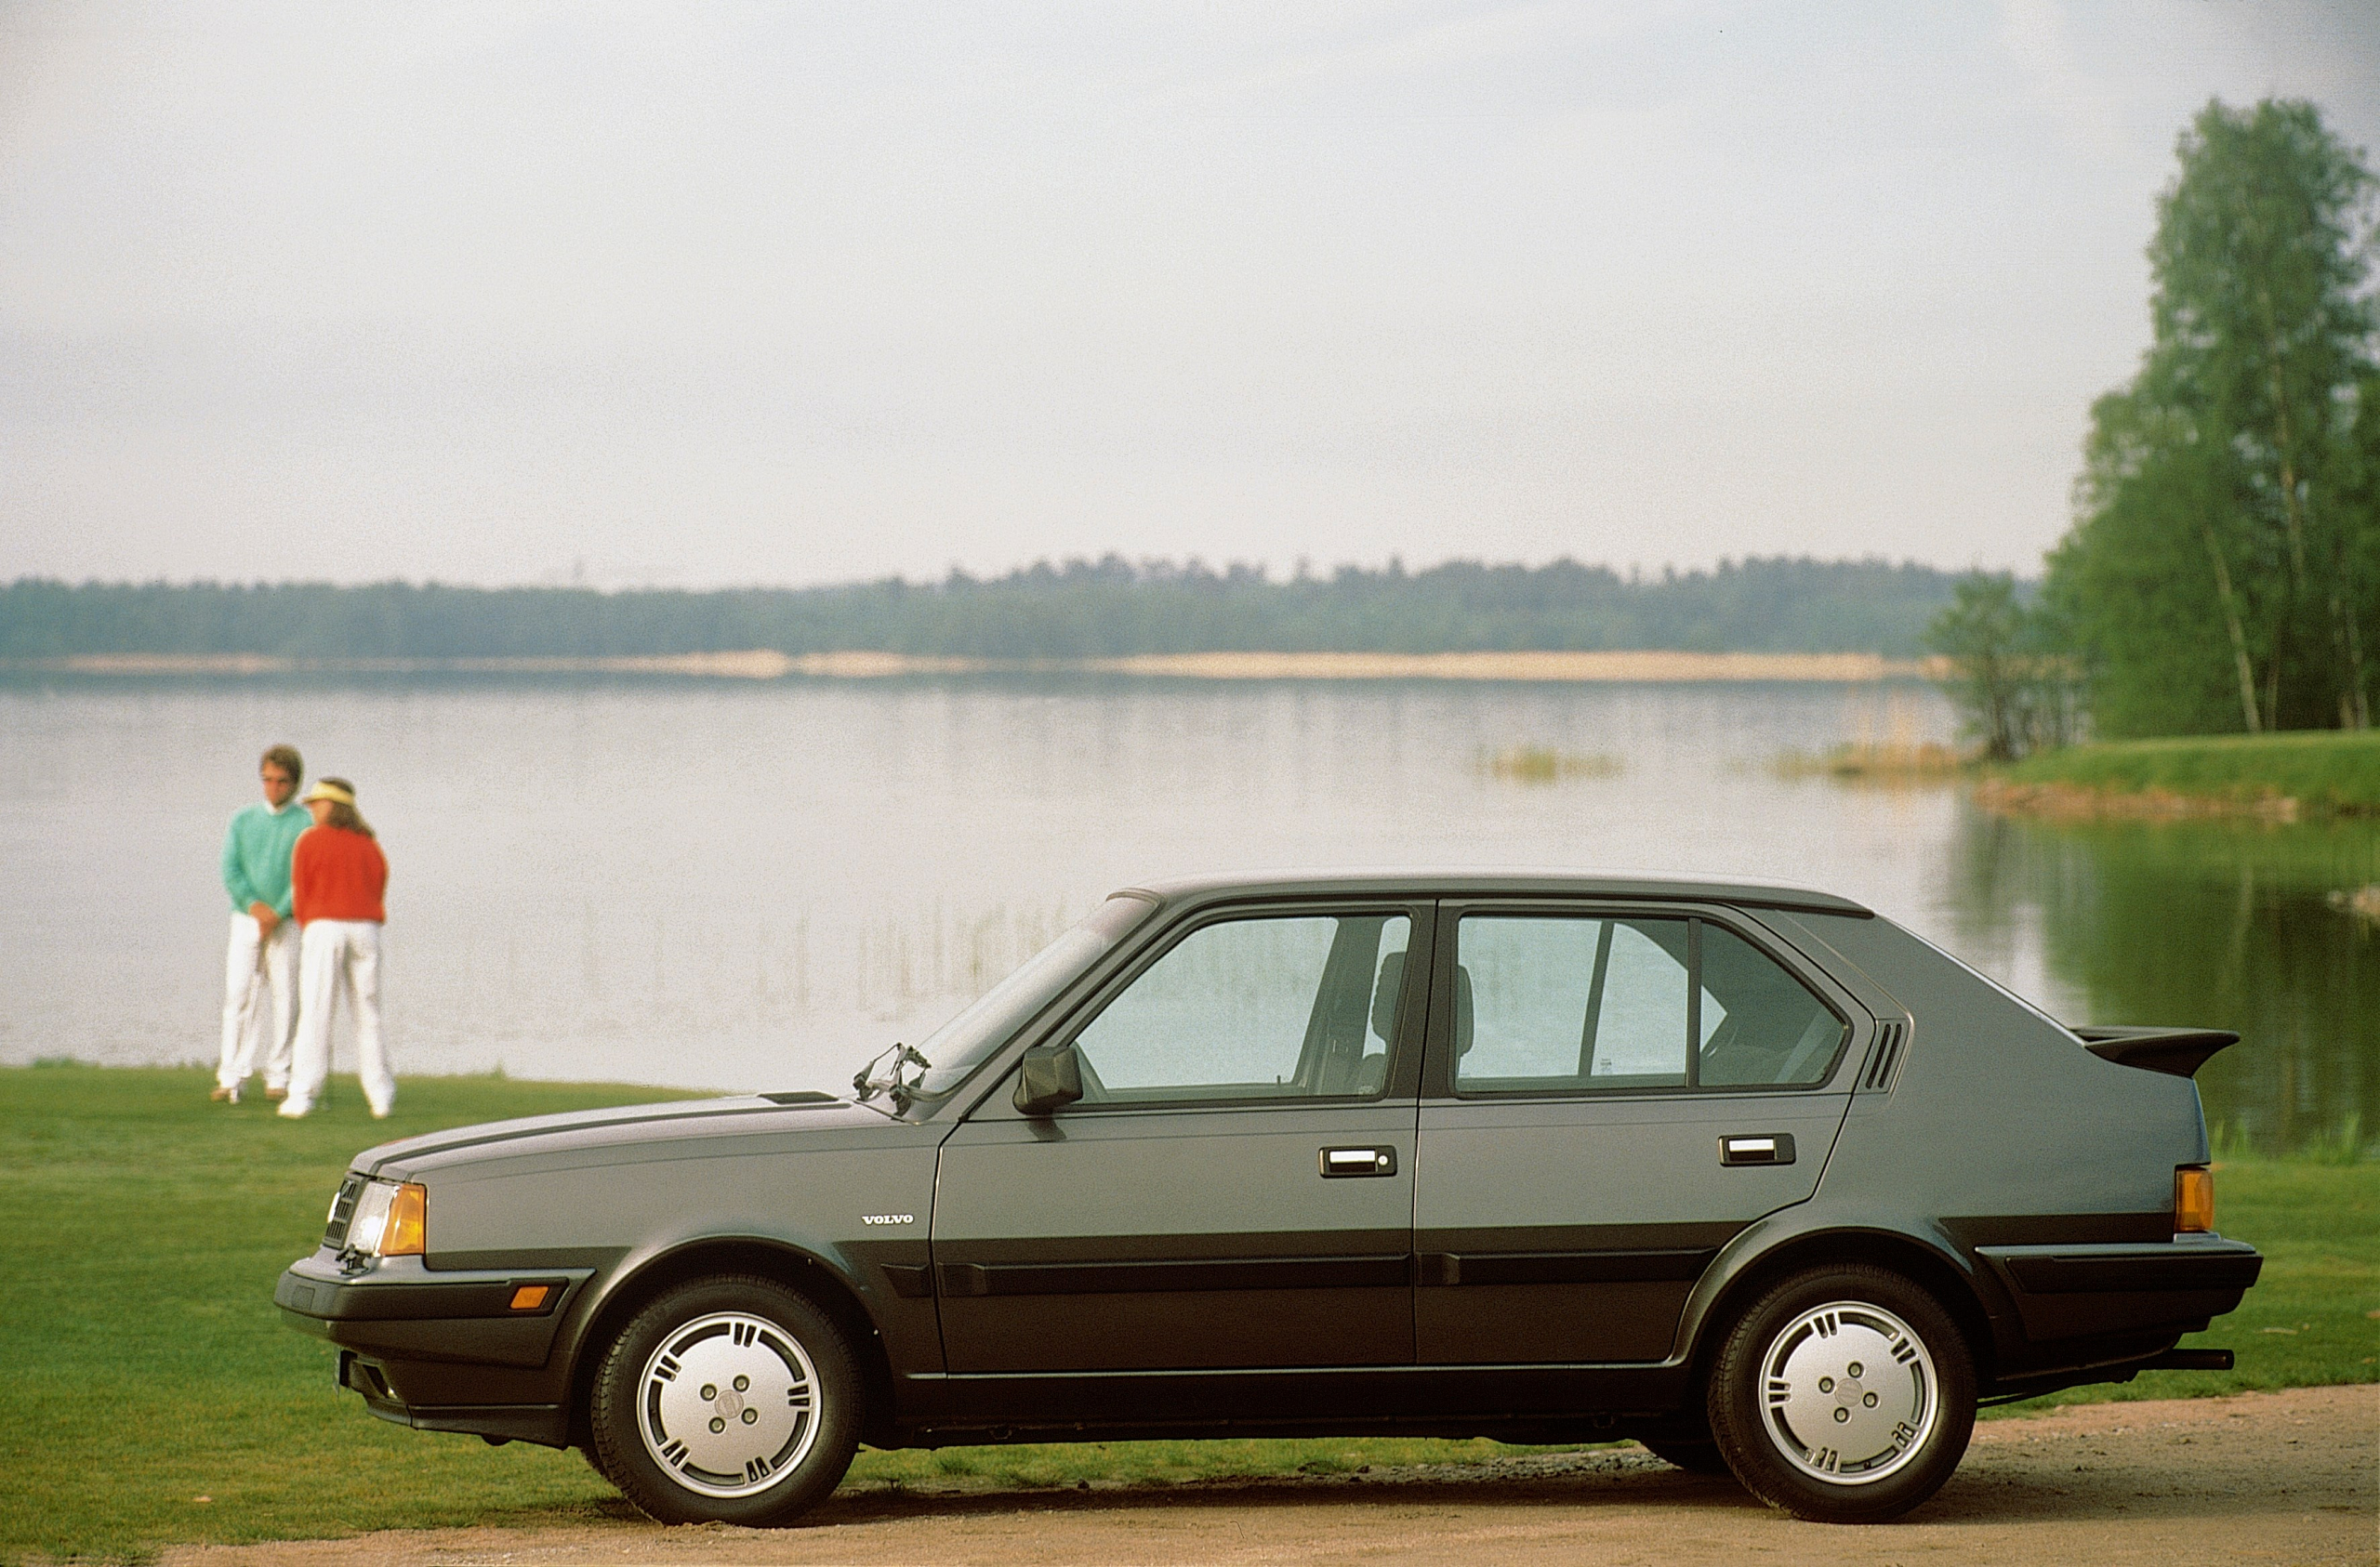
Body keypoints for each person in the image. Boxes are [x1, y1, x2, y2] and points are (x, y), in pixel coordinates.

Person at [282, 777, 394, 1120]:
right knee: (367, 1012)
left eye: (318, 803)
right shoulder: (368, 843)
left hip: (324, 927)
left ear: (334, 806)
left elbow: (301, 888)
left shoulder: (310, 840)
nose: (313, 809)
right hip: (365, 928)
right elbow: (379, 882)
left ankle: (302, 1093)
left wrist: (310, 922)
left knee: (316, 1009)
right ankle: (380, 1096)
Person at [214, 744, 310, 1104]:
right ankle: (231, 1076)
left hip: (285, 922)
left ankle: (279, 1076)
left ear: (294, 784)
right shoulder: (242, 820)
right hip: (245, 918)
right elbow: (230, 869)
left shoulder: (305, 823)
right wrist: (254, 906)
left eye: (281, 782)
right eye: (267, 780)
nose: (273, 788)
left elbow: (304, 877)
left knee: (285, 999)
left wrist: (279, 910)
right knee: (238, 995)